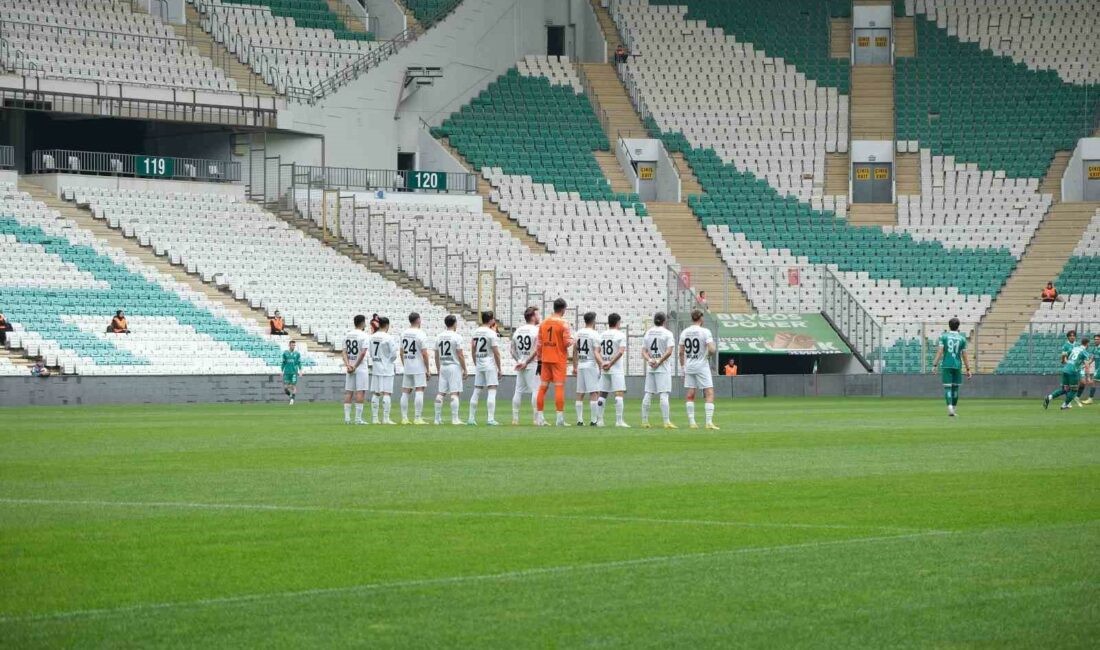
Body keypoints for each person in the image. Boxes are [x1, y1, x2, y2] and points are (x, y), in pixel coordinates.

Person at [678, 309, 718, 429]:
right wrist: (707, 355)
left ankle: (692, 422)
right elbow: (712, 350)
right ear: (701, 318)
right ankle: (708, 422)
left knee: (691, 393)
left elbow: (680, 352)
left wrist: (682, 367)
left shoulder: (685, 332)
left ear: (692, 319)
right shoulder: (705, 331)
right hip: (701, 366)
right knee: (709, 392)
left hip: (689, 366)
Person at [536, 298, 573, 427]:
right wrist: (574, 340)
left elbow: (539, 344)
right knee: (559, 387)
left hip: (546, 358)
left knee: (543, 387)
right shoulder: (564, 323)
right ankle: (559, 419)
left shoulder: (543, 323)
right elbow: (567, 342)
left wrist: (540, 358)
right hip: (558, 359)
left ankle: (540, 418)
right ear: (563, 309)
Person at [640, 311, 676, 428]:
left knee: (648, 393)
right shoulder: (668, 333)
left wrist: (650, 360)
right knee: (664, 394)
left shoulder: (648, 332)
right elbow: (669, 351)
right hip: (662, 367)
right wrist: (659, 361)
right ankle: (666, 422)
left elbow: (643, 352)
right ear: (664, 321)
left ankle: (644, 421)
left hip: (651, 367)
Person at [931, 318, 972, 417]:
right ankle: (953, 408)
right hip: (957, 365)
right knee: (956, 388)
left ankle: (949, 406)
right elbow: (964, 355)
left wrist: (934, 365)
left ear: (949, 326)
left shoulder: (943, 337)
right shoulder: (962, 339)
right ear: (958, 326)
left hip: (946, 364)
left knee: (947, 387)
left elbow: (940, 351)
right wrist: (968, 369)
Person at [596, 313, 629, 427]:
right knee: (619, 393)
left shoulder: (602, 335)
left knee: (602, 394)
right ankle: (619, 421)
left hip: (604, 367)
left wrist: (602, 363)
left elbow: (596, 351)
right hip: (616, 368)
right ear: (618, 322)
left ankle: (599, 421)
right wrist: (610, 363)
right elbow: (620, 352)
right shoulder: (620, 335)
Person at [469, 311, 502, 426]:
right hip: (489, 364)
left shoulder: (476, 332)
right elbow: (496, 353)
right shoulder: (491, 333)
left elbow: (472, 349)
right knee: (492, 390)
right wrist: (500, 369)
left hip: (479, 364)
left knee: (477, 390)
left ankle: (471, 419)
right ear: (491, 320)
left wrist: (475, 363)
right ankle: (490, 419)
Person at [434, 315, 467, 425]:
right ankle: (455, 419)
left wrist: (438, 369)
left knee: (441, 393)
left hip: (443, 366)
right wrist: (465, 369)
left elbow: (436, 354)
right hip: (453, 366)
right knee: (454, 393)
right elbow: (460, 355)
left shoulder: (439, 336)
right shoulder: (457, 337)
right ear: (455, 323)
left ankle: (437, 419)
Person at [399, 312, 431, 425]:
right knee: (419, 389)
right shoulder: (421, 334)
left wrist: (405, 364)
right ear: (418, 320)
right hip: (418, 366)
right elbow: (425, 353)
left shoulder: (404, 333)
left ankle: (404, 418)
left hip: (408, 365)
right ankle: (417, 418)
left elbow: (401, 352)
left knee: (406, 391)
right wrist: (427, 369)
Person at [511, 306, 541, 425]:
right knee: (536, 390)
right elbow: (537, 349)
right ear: (533, 317)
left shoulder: (518, 331)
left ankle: (515, 419)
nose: (539, 317)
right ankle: (536, 419)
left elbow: (511, 350)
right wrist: (527, 362)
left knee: (518, 391)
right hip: (532, 364)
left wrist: (520, 361)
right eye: (537, 315)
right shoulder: (537, 331)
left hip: (521, 364)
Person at [1045, 337, 1091, 411]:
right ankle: (1065, 405)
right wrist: (1088, 377)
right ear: (1087, 344)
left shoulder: (1074, 348)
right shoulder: (1085, 352)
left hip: (1065, 369)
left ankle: (1049, 397)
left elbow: (1063, 354)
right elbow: (1087, 365)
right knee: (1074, 390)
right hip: (1073, 372)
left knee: (1065, 389)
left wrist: (1063, 361)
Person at [572, 311, 602, 426]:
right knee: (594, 392)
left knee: (580, 393)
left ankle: (579, 420)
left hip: (581, 364)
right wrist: (600, 367)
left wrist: (575, 366)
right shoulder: (595, 334)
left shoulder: (578, 333)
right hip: (590, 364)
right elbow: (596, 352)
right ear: (594, 321)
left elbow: (574, 350)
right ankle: (593, 420)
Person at [341, 315, 372, 424]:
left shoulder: (347, 335)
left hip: (350, 366)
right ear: (363, 323)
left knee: (349, 392)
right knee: (360, 391)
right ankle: (358, 419)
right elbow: (363, 353)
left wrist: (348, 365)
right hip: (360, 367)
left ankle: (347, 418)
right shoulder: (364, 335)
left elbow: (344, 351)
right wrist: (356, 366)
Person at [369, 316, 398, 424]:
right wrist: (388, 361)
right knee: (387, 393)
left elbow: (371, 353)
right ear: (387, 325)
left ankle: (375, 418)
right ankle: (386, 418)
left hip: (376, 368)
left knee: (376, 393)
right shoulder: (388, 337)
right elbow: (394, 355)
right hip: (387, 369)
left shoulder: (372, 337)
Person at [281, 340, 303, 404]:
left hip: (294, 372)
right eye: (292, 345)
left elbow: (299, 363)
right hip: (287, 372)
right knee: (285, 388)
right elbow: (283, 363)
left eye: (294, 345)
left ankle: (292, 399)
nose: (293, 346)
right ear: (289, 345)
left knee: (293, 386)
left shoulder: (297, 354)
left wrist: (300, 371)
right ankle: (291, 396)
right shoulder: (285, 353)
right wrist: (281, 371)